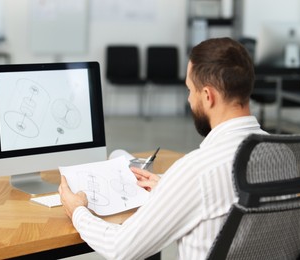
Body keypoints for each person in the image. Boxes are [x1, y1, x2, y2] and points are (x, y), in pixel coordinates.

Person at [59, 37, 267, 259]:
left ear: (208, 96)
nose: (189, 100)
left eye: (190, 90)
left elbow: (121, 248)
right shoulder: (284, 155)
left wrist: (78, 210)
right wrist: (171, 188)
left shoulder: (197, 171)